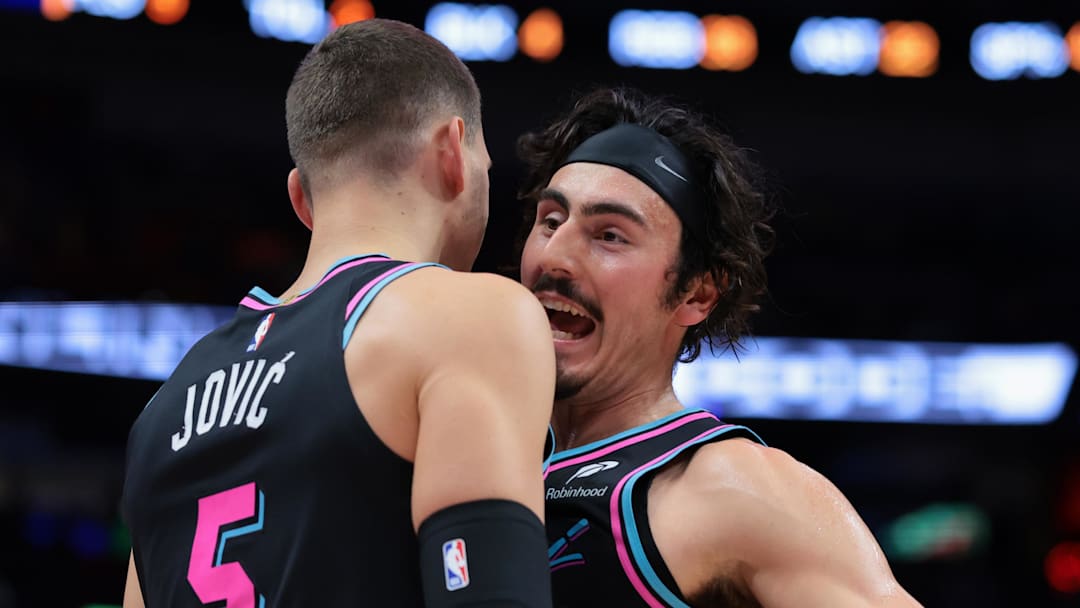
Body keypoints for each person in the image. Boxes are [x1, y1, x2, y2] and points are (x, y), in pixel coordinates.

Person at [121, 19, 556, 608]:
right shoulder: (468, 316)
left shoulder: (162, 408)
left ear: (302, 198)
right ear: (452, 151)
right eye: (486, 165)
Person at [516, 87, 921, 607]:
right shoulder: (468, 453)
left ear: (697, 293)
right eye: (550, 221)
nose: (555, 255)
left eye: (610, 235)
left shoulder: (734, 489)